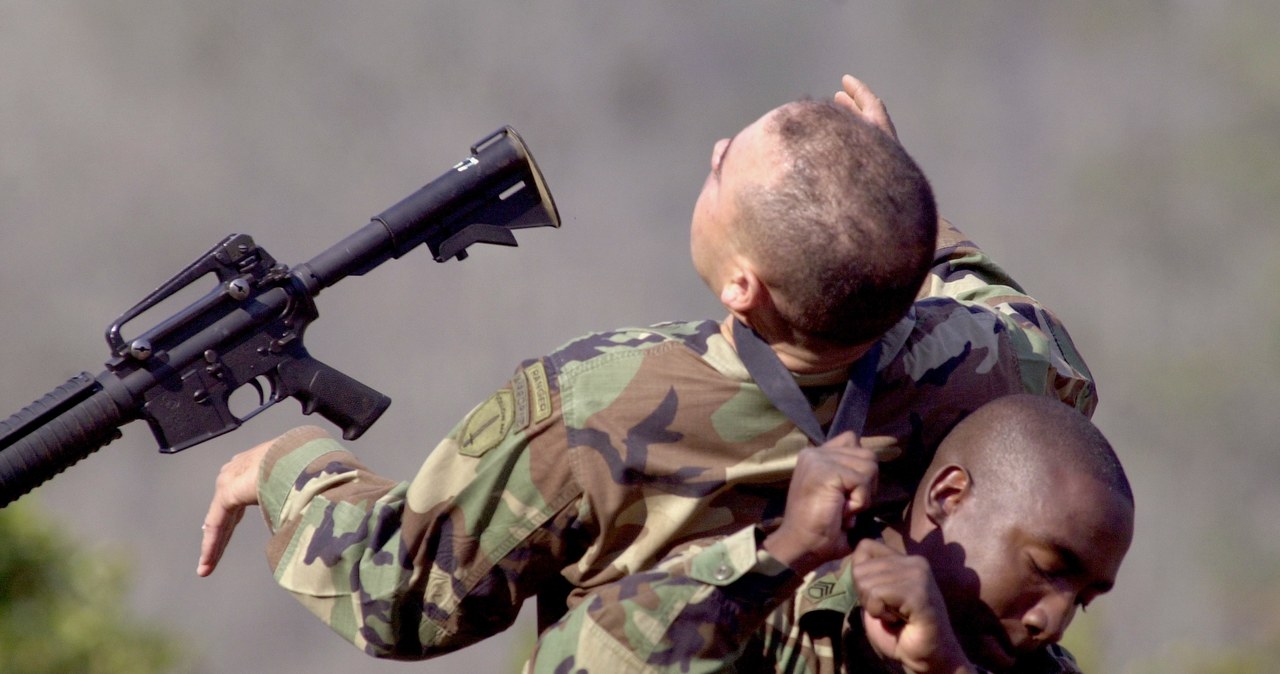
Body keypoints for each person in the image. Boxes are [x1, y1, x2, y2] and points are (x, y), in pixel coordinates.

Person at [195, 76, 1096, 660]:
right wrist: (890, 191)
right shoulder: (1009, 369)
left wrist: (289, 468)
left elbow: (402, 595)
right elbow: (988, 300)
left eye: (721, 175)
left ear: (743, 286)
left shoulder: (595, 406)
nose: (709, 159)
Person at [525, 394, 1134, 673]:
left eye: (1080, 597)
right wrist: (786, 553)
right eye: (1048, 568)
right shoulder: (764, 612)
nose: (1051, 621)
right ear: (949, 498)